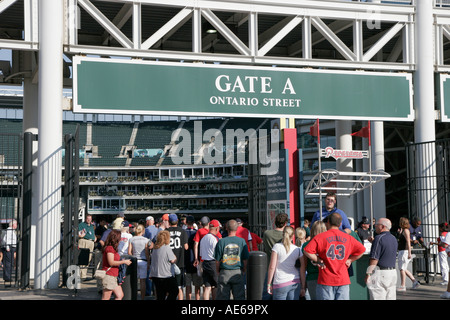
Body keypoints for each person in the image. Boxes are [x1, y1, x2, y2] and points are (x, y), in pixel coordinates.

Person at [303, 213, 366, 300]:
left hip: (325, 279)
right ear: (340, 224)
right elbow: (362, 250)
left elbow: (306, 250)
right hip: (343, 279)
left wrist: (318, 260)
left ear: (328, 222)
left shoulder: (320, 237)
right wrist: (350, 260)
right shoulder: (348, 237)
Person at [214, 219, 250, 300]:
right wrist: (244, 270)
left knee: (222, 297)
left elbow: (217, 260)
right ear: (237, 228)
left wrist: (217, 271)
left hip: (224, 272)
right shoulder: (241, 241)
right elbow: (245, 259)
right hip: (237, 272)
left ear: (226, 228)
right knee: (239, 297)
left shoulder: (221, 241)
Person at [267, 226, 305, 300]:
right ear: (293, 236)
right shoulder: (297, 249)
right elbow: (302, 270)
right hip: (295, 281)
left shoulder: (277, 247)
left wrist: (269, 283)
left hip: (280, 282)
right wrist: (303, 287)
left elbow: (272, 267)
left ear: (283, 235)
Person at [365, 218, 398, 300]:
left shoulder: (378, 238)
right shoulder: (394, 238)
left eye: (377, 225)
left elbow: (374, 259)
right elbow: (386, 249)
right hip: (392, 272)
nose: (375, 226)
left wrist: (368, 273)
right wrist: (374, 242)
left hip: (380, 273)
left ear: (382, 226)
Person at [262, 213, 289, 300]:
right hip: (284, 269)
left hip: (270, 266)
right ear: (285, 223)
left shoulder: (267, 234)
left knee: (267, 294)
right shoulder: (287, 236)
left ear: (275, 222)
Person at [101, 229, 132, 300]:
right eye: (120, 237)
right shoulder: (110, 248)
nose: (121, 239)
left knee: (120, 295)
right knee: (106, 297)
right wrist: (124, 262)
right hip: (109, 275)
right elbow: (111, 262)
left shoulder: (112, 248)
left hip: (113, 276)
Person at [149, 230, 178, 300]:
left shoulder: (155, 248)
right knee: (174, 291)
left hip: (156, 275)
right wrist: (175, 257)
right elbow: (172, 260)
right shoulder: (167, 247)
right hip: (166, 275)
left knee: (160, 294)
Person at [301, 220, 327, 300]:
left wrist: (303, 285)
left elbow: (303, 267)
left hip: (312, 277)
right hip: (326, 277)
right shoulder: (328, 244)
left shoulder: (306, 245)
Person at [167, 213, 188, 300]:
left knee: (169, 287)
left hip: (168, 261)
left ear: (169, 221)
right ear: (177, 221)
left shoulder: (166, 231)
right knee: (179, 287)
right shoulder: (182, 231)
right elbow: (186, 247)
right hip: (180, 261)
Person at [128, 224, 151, 300]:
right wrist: (148, 262)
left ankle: (134, 297)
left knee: (134, 281)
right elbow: (147, 252)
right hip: (143, 261)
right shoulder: (146, 240)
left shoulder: (131, 239)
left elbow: (129, 252)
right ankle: (142, 298)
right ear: (143, 231)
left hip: (135, 261)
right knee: (143, 281)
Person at [199, 219, 221, 300]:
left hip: (205, 263)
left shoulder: (204, 238)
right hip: (213, 263)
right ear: (217, 229)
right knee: (215, 286)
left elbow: (201, 254)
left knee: (207, 287)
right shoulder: (215, 239)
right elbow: (218, 254)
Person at [397, 217, 420, 291]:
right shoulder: (403, 230)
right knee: (403, 268)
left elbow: (408, 241)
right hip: (402, 250)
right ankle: (414, 281)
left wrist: (409, 252)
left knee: (402, 269)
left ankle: (403, 285)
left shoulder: (406, 231)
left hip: (404, 251)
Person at [184, 215, 203, 300]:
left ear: (186, 222)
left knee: (188, 285)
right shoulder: (197, 232)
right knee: (197, 285)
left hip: (186, 261)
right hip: (196, 261)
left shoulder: (183, 233)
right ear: (194, 222)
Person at [78, 214, 96, 280]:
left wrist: (94, 237)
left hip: (91, 242)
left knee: (89, 258)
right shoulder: (81, 225)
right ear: (85, 219)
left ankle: (84, 275)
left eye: (90, 219)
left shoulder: (91, 226)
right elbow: (80, 234)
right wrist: (81, 235)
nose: (89, 220)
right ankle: (82, 275)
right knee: (83, 258)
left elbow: (92, 233)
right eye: (88, 219)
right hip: (84, 241)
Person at [1, 219, 17, 283]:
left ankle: (7, 276)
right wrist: (7, 247)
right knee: (8, 263)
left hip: (10, 247)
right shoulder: (9, 230)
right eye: (16, 224)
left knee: (9, 263)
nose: (16, 225)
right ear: (13, 225)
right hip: (9, 247)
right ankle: (7, 277)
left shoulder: (11, 230)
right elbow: (6, 239)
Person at [440, 230, 450, 299]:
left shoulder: (449, 234)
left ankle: (448, 292)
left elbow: (445, 244)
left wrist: (441, 243)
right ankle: (448, 292)